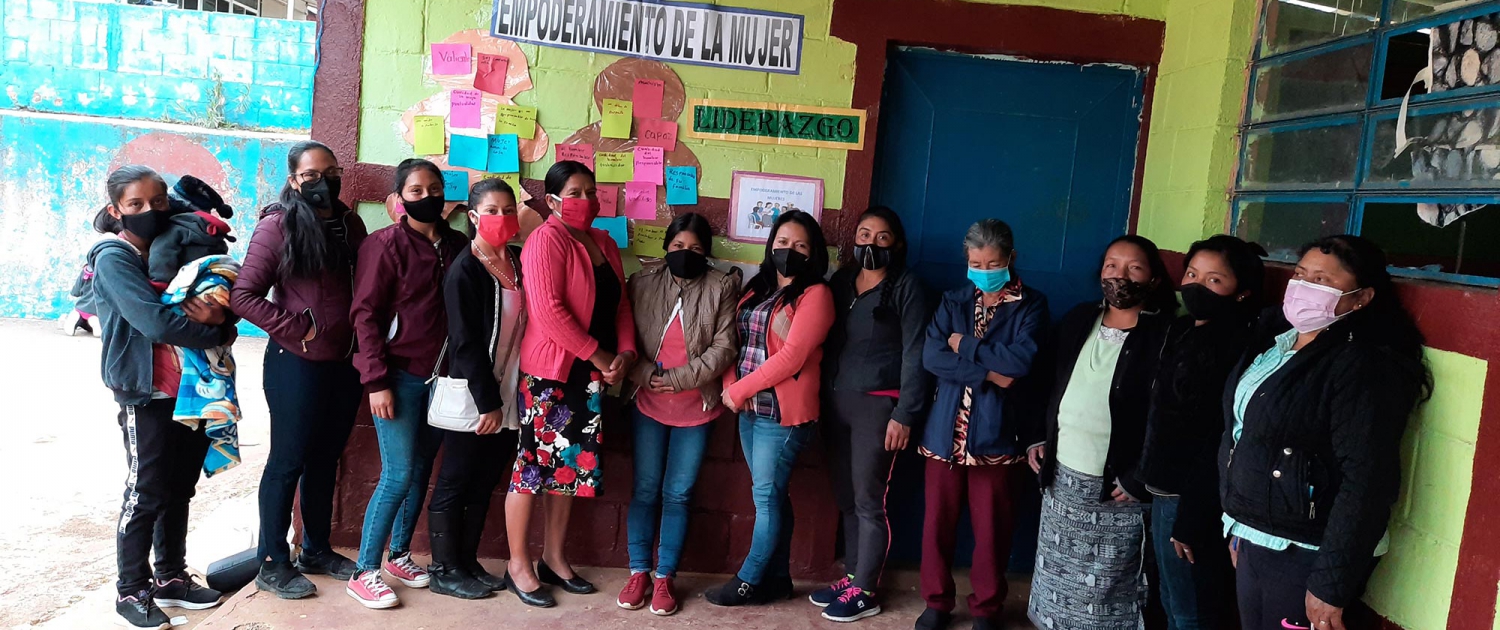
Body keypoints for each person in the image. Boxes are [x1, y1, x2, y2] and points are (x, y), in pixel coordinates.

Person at [1223, 235, 1429, 630]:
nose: (1303, 286)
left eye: (1322, 280)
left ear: (1361, 297)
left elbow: (1368, 479)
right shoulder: (1276, 344)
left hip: (1306, 549)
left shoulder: (1361, 365)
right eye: (1301, 274)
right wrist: (1237, 524)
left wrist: (1331, 584)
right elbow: (1240, 434)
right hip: (1256, 533)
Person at [89, 165, 236, 629]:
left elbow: (223, 302)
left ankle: (171, 576)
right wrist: (217, 329)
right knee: (146, 491)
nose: (150, 210)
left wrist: (223, 320)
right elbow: (154, 322)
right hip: (146, 390)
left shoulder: (178, 244)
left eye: (157, 201)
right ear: (117, 210)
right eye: (135, 204)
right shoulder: (113, 257)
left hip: (191, 389)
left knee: (179, 488)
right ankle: (131, 589)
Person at [232, 141, 366, 599]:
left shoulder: (349, 223)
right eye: (311, 174)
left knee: (325, 460)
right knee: (287, 461)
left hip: (344, 362)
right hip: (297, 363)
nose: (323, 181)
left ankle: (316, 549)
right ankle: (272, 561)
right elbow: (243, 296)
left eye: (331, 172)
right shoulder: (278, 225)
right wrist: (300, 329)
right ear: (293, 180)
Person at [1026, 235, 1177, 630]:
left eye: (1134, 268)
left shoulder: (1167, 334)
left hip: (1118, 488)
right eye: (1112, 265)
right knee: (1058, 579)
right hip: (1062, 478)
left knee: (1111, 591)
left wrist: (1139, 477)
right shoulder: (1079, 319)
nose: (1120, 275)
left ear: (1154, 280)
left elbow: (1171, 419)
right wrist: (1040, 437)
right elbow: (1048, 382)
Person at [507, 160, 638, 607]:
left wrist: (624, 354)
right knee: (531, 470)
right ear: (552, 200)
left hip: (592, 375)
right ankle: (518, 565)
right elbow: (549, 312)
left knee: (568, 469)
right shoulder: (545, 240)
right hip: (551, 374)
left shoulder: (605, 241)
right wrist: (599, 355)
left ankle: (554, 558)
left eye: (591, 192)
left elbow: (622, 305)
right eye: (575, 193)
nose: (586, 200)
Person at [910, 219, 1048, 630]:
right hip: (944, 435)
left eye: (993, 263)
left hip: (998, 436)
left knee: (992, 532)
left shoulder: (1031, 305)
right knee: (936, 526)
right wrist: (990, 372)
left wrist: (964, 344)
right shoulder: (953, 301)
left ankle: (986, 608)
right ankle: (936, 602)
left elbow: (1020, 362)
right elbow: (932, 357)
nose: (984, 271)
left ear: (1011, 258)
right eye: (976, 263)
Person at [346, 159, 466, 609]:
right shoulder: (384, 245)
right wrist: (376, 380)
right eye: (416, 190)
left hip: (442, 380)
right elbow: (365, 316)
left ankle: (398, 555)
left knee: (419, 470)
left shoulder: (457, 245)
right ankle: (364, 571)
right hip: (397, 378)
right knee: (397, 474)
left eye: (434, 188)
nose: (427, 197)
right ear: (399, 199)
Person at [810, 207, 934, 623]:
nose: (871, 243)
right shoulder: (842, 282)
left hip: (879, 407)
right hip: (836, 402)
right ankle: (851, 576)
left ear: (896, 244)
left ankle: (866, 590)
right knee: (846, 497)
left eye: (882, 237)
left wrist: (905, 413)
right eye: (864, 234)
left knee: (869, 500)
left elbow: (917, 352)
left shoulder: (907, 287)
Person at [706, 210, 835, 607]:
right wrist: (731, 387)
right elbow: (734, 341)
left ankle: (749, 579)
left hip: (783, 416)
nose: (789, 251)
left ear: (813, 253)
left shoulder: (817, 295)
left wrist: (740, 389)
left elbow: (793, 357)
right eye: (782, 242)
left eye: (800, 246)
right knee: (773, 495)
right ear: (771, 245)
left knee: (765, 497)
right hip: (748, 409)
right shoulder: (757, 288)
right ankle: (777, 578)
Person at [1135, 235, 1264, 629]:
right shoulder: (1183, 330)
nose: (1196, 286)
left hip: (1191, 496)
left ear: (1242, 292)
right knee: (1169, 598)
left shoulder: (1236, 346)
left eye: (1214, 280)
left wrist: (1193, 515)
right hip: (1162, 489)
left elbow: (1219, 437)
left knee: (1191, 609)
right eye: (1192, 274)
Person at [616, 212, 740, 616]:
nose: (686, 254)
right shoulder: (641, 282)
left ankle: (665, 576)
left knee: (679, 493)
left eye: (696, 249)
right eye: (678, 247)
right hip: (648, 402)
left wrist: (679, 378)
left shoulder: (722, 286)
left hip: (696, 405)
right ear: (666, 247)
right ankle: (638, 572)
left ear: (708, 254)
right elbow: (625, 338)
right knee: (645, 488)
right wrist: (645, 374)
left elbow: (725, 347)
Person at [424, 178, 527, 600]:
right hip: (476, 395)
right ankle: (444, 569)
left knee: (484, 481)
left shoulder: (518, 262)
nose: (501, 218)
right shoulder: (465, 269)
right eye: (492, 211)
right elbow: (465, 343)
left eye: (508, 210)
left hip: (511, 391)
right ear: (473, 217)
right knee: (456, 479)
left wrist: (504, 400)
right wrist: (487, 402)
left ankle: (467, 562)